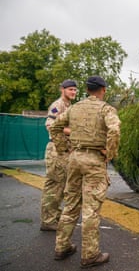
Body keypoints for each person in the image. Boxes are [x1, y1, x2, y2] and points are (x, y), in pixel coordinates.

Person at [50, 75, 120, 268]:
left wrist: (63, 148)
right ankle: (90, 255)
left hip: (74, 159)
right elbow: (115, 130)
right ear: (103, 90)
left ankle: (61, 247)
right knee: (91, 209)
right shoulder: (106, 109)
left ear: (87, 90)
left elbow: (55, 126)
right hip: (94, 161)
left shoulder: (74, 108)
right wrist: (110, 154)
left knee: (71, 203)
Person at [40, 79, 77, 231]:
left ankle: (53, 217)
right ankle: (48, 221)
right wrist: (74, 132)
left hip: (64, 150)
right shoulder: (58, 105)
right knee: (54, 186)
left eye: (75, 90)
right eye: (70, 90)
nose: (73, 92)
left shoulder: (70, 106)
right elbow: (50, 126)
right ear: (62, 90)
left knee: (60, 186)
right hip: (56, 149)